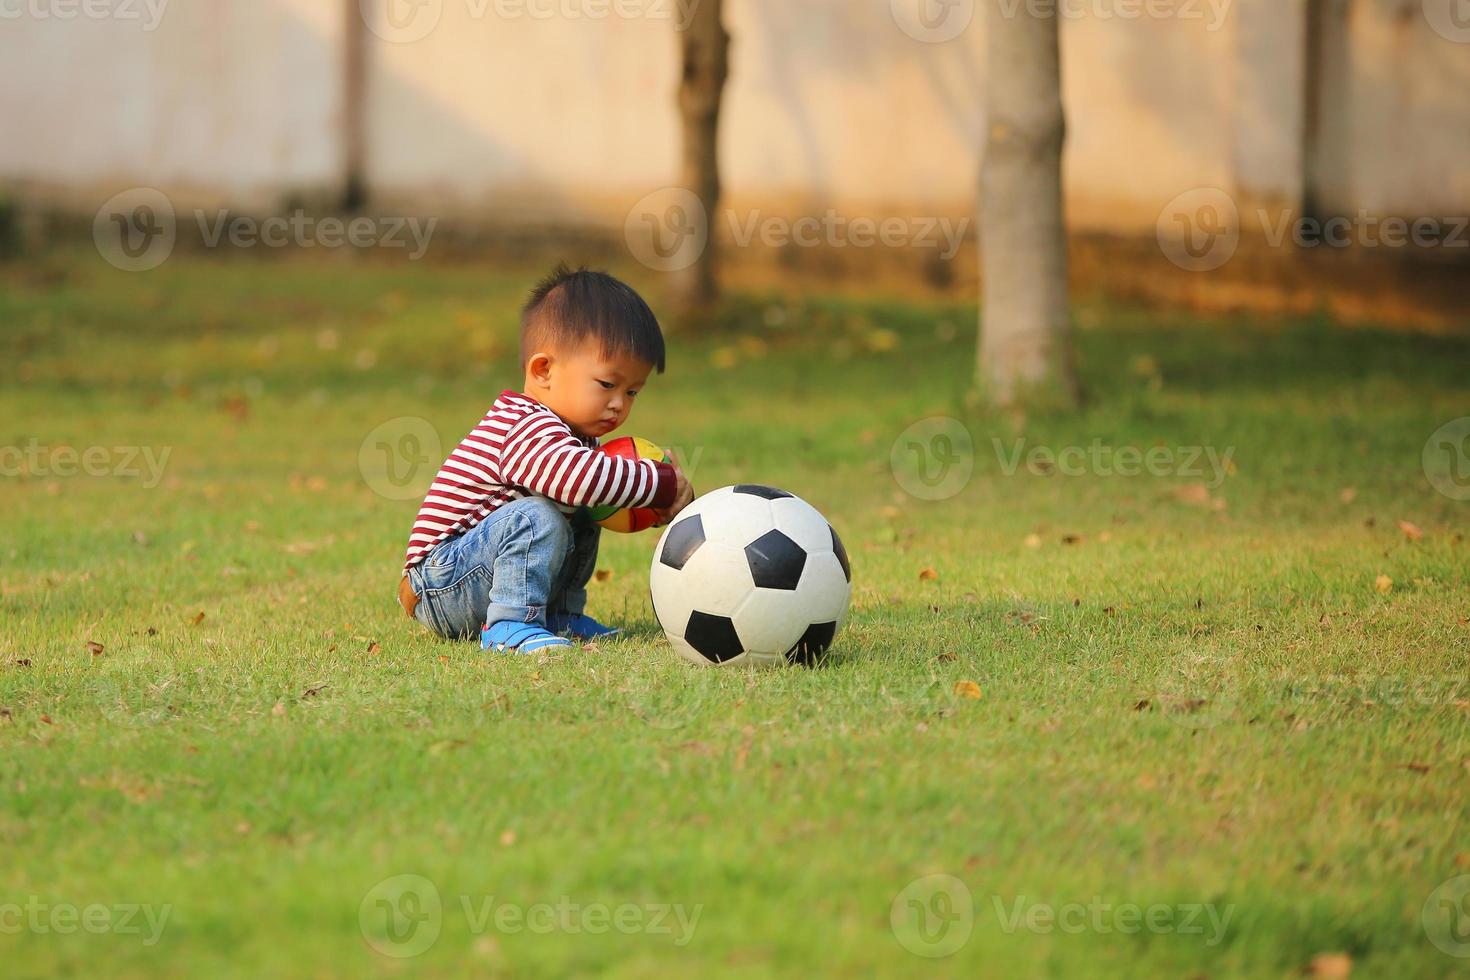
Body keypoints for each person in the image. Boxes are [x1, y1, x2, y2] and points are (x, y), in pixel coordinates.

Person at [397, 264, 695, 653]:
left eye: (633, 392)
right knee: (536, 515)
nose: (619, 404)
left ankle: (560, 615)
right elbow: (579, 480)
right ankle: (509, 625)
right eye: (607, 384)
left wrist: (648, 507)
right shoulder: (524, 425)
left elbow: (592, 488)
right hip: (441, 584)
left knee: (589, 508)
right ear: (544, 370)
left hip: (472, 577)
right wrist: (660, 482)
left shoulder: (577, 439)